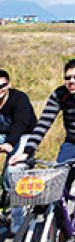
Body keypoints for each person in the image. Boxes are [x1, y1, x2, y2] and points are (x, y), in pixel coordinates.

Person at [11, 57, 75, 217]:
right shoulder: (60, 95)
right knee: (60, 176)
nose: (71, 81)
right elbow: (43, 124)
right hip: (73, 138)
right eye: (67, 77)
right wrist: (26, 152)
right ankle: (60, 225)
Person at [0, 69, 37, 233]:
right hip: (3, 135)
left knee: (13, 172)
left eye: (3, 85)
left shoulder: (19, 99)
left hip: (24, 135)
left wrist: (9, 144)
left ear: (9, 85)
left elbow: (21, 124)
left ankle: (18, 218)